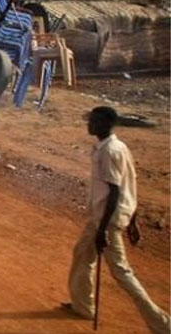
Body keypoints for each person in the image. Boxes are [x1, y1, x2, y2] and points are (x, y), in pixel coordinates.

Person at [63, 106, 170, 333]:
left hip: (106, 221)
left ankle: (161, 323)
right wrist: (133, 220)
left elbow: (115, 192)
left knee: (121, 272)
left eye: (94, 122)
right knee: (82, 255)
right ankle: (83, 305)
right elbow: (129, 185)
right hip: (102, 218)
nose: (89, 125)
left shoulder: (109, 152)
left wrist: (103, 230)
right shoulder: (116, 147)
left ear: (105, 124)